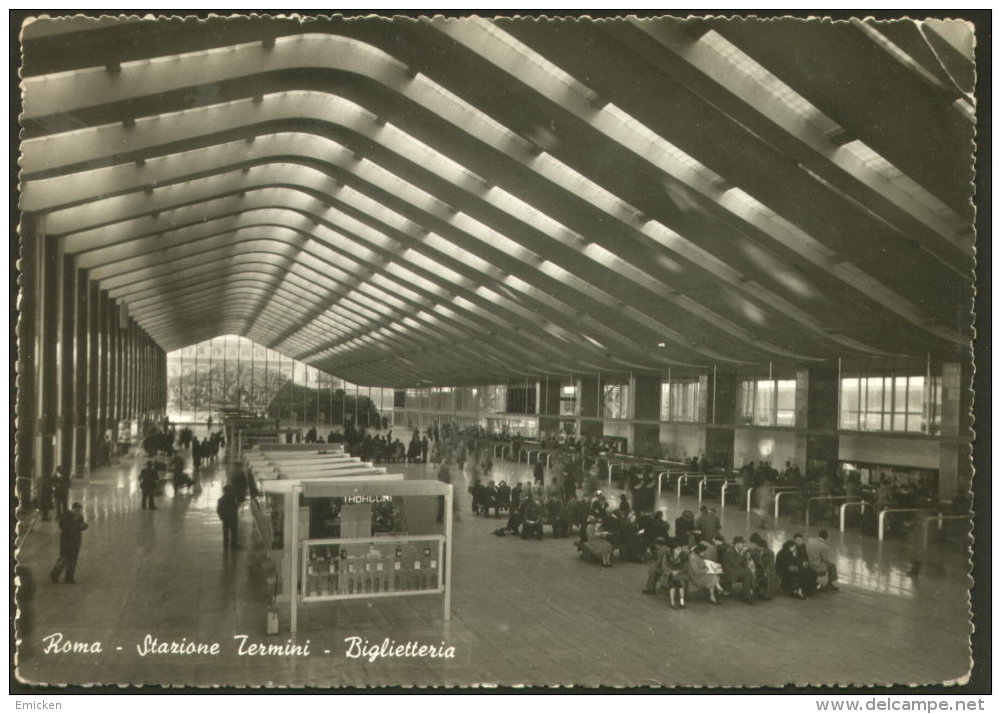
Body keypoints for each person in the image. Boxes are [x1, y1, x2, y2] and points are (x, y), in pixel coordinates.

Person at [50, 502, 87, 583]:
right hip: (67, 541)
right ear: (73, 509)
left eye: (79, 510)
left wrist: (83, 526)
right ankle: (55, 574)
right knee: (65, 558)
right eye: (77, 509)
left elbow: (82, 526)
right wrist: (76, 525)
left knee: (71, 559)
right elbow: (63, 526)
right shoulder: (66, 515)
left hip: (75, 541)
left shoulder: (79, 517)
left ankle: (68, 577)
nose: (78, 511)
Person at [217, 484, 240, 550]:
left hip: (228, 517)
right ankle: (232, 545)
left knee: (229, 532)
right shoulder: (228, 499)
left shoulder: (222, 500)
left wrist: (221, 516)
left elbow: (219, 510)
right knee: (232, 531)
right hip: (230, 517)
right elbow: (236, 507)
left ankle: (227, 545)